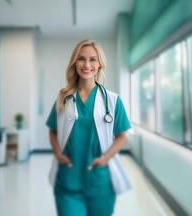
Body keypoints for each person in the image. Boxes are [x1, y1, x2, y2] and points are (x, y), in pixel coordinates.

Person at [46, 39, 131, 216]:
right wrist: (59, 155)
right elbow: (53, 130)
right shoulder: (63, 99)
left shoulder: (113, 101)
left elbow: (122, 135)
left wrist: (105, 158)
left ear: (100, 63)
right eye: (81, 59)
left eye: (92, 59)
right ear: (74, 63)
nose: (86, 64)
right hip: (68, 182)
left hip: (100, 183)